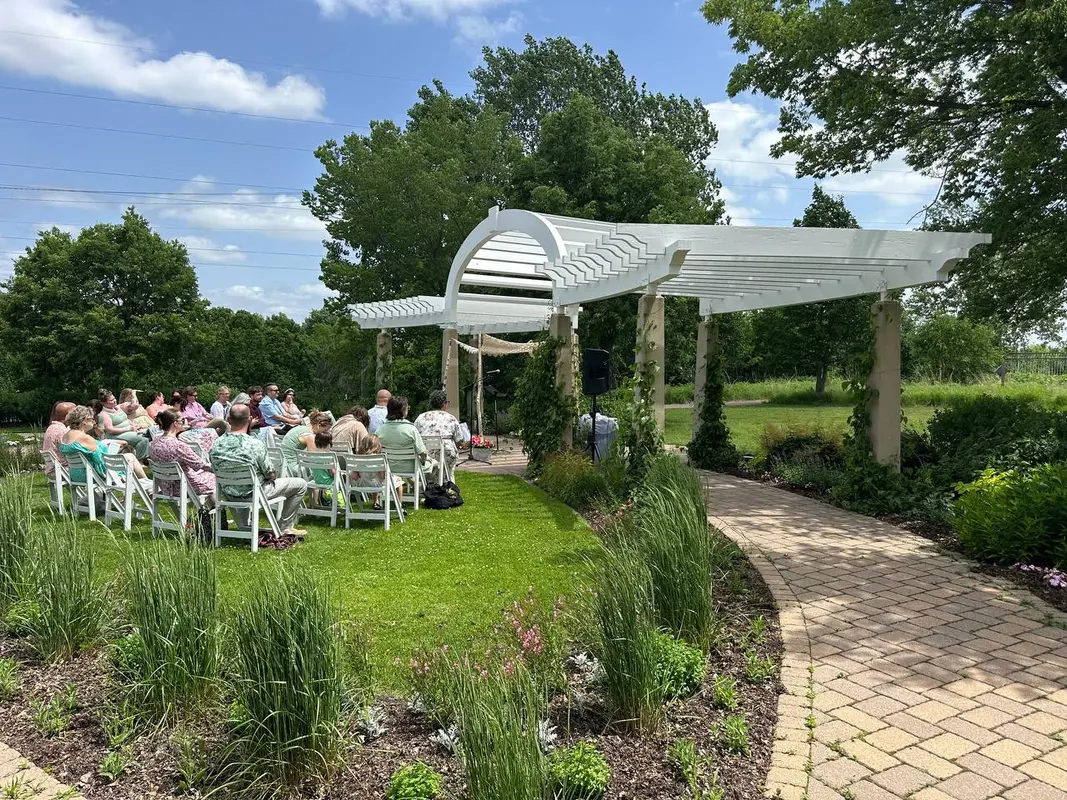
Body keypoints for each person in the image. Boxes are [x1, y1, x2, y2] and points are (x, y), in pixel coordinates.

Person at [209, 403, 307, 538]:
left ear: (229, 420)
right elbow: (270, 473)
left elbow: (214, 468)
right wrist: (272, 476)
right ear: (249, 420)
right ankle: (285, 528)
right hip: (254, 493)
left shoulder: (216, 443)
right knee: (301, 484)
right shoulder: (255, 444)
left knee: (249, 482)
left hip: (228, 493)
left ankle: (244, 527)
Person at [61, 404, 148, 484]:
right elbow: (100, 461)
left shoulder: (66, 435)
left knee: (127, 456)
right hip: (91, 475)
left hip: (76, 475)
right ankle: (147, 486)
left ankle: (99, 499)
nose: (93, 421)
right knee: (130, 457)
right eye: (91, 419)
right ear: (84, 420)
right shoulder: (84, 438)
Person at [149, 409, 216, 504]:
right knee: (215, 479)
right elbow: (201, 465)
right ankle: (217, 515)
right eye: (183, 420)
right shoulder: (179, 446)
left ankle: (208, 515)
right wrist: (219, 469)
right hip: (183, 486)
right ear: (175, 423)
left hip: (165, 487)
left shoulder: (153, 443)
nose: (185, 422)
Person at [414, 389, 469, 483]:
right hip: (446, 453)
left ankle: (427, 488)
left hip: (426, 454)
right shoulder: (451, 418)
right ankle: (448, 488)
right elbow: (459, 439)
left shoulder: (421, 417)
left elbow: (415, 435)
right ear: (444, 403)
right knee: (449, 470)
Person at [376, 395, 435, 479]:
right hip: (411, 468)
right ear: (403, 410)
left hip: (388, 467)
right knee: (435, 464)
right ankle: (425, 488)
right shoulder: (411, 429)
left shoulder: (380, 430)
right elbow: (423, 453)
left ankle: (417, 486)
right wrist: (425, 459)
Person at [96, 389, 150, 461]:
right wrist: (129, 429)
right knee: (143, 439)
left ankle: (149, 457)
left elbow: (126, 419)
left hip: (128, 431)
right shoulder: (104, 413)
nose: (114, 401)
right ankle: (139, 461)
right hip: (115, 436)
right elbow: (110, 429)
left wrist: (135, 426)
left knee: (149, 433)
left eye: (114, 398)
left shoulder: (117, 408)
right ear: (104, 403)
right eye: (111, 400)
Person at [279, 410, 333, 476]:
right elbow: (314, 459)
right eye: (325, 430)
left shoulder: (300, 428)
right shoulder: (309, 436)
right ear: (319, 425)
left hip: (281, 466)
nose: (324, 433)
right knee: (321, 471)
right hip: (291, 469)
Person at [42, 401, 76, 474]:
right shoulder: (61, 431)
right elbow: (73, 452)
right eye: (75, 413)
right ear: (68, 415)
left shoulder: (52, 427)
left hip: (53, 469)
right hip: (61, 471)